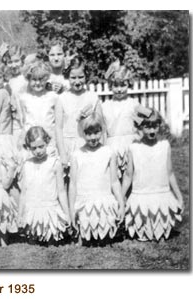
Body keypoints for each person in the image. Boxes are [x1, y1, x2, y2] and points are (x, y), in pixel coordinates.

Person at [122, 107, 183, 241]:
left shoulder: (164, 145)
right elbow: (128, 176)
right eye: (148, 127)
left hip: (161, 192)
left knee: (161, 232)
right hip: (141, 194)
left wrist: (179, 197)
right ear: (140, 127)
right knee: (142, 232)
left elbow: (170, 173)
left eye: (155, 126)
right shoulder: (134, 147)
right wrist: (121, 198)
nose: (152, 130)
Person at [69, 107, 124, 245]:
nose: (93, 137)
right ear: (82, 133)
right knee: (85, 240)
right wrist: (72, 209)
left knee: (104, 241)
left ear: (102, 130)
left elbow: (114, 182)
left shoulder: (109, 152)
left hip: (103, 201)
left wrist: (121, 204)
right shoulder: (76, 155)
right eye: (88, 133)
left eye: (96, 132)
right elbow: (73, 185)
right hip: (84, 201)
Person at [18, 127, 70, 243]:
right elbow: (23, 193)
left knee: (52, 243)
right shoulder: (27, 165)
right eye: (34, 148)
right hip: (32, 210)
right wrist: (20, 215)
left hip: (50, 209)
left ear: (47, 143)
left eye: (41, 146)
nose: (38, 151)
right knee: (33, 245)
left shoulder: (54, 163)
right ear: (29, 147)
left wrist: (67, 214)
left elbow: (61, 192)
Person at [55, 56, 101, 171]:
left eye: (81, 77)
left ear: (86, 76)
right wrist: (62, 154)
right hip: (68, 146)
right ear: (67, 77)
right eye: (73, 77)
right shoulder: (62, 99)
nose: (77, 81)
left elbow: (101, 125)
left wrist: (101, 149)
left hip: (89, 143)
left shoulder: (92, 97)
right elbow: (58, 128)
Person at [102, 61, 141, 178]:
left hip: (130, 145)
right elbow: (103, 130)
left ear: (128, 84)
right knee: (113, 178)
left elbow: (141, 126)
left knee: (131, 176)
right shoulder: (105, 106)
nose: (119, 89)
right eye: (116, 85)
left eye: (123, 85)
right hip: (111, 146)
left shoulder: (133, 104)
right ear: (110, 86)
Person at [18, 60, 59, 157]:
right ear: (28, 79)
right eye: (34, 79)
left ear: (46, 79)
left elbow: (58, 124)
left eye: (41, 79)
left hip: (49, 143)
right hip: (32, 145)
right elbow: (24, 123)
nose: (37, 83)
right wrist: (21, 142)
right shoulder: (24, 98)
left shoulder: (53, 97)